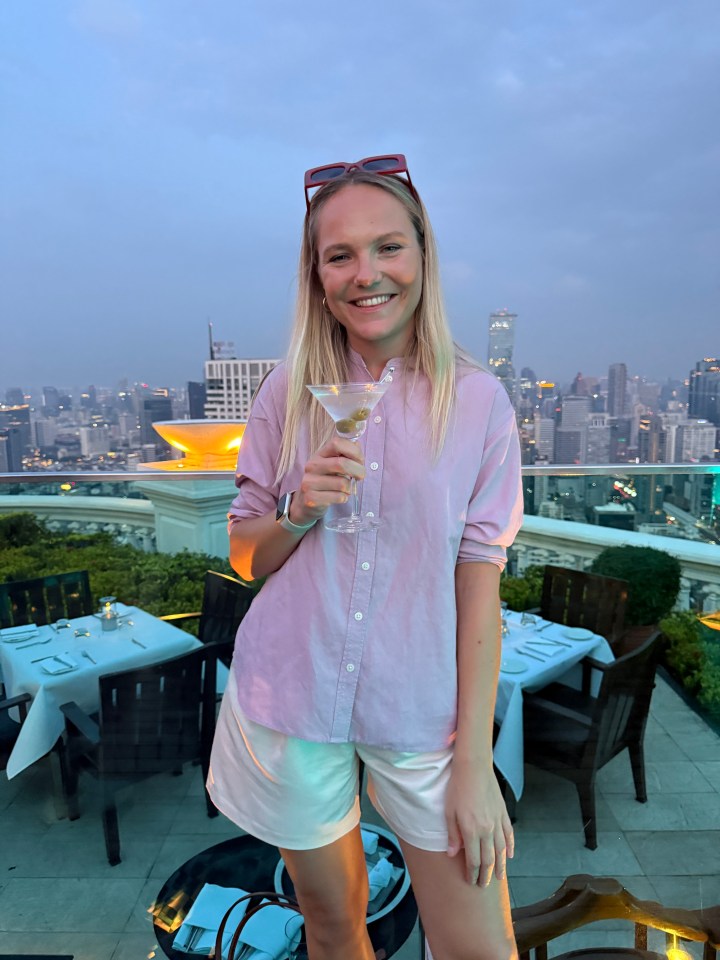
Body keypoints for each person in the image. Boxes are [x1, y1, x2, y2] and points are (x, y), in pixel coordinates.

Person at [207, 154, 524, 960]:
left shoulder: (479, 403)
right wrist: (298, 509)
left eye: (388, 247)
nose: (366, 274)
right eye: (339, 255)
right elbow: (247, 555)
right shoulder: (287, 391)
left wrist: (475, 764)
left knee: (476, 946)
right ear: (316, 276)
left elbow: (477, 585)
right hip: (290, 697)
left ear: (422, 254)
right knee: (333, 921)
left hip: (422, 711)